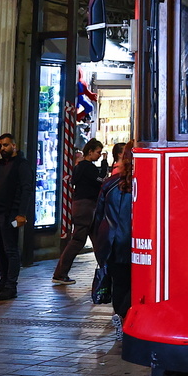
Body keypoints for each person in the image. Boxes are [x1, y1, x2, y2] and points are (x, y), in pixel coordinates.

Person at [0, 133, 35, 300]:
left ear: (14, 146)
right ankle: (3, 282)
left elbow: (27, 189)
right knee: (0, 249)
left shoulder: (22, 165)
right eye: (0, 146)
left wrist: (21, 214)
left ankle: (11, 286)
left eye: (5, 145)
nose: (3, 148)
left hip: (10, 214)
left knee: (11, 249)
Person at [53, 138, 109, 285]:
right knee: (78, 240)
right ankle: (60, 273)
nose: (99, 155)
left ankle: (107, 270)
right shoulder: (87, 167)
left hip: (81, 205)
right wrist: (104, 162)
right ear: (90, 152)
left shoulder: (80, 167)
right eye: (98, 152)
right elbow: (101, 178)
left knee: (97, 239)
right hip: (86, 207)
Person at [95, 143, 134, 339]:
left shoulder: (110, 184)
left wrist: (99, 249)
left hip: (113, 243)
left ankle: (120, 316)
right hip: (137, 243)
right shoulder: (147, 181)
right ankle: (129, 320)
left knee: (119, 283)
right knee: (136, 285)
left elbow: (99, 217)